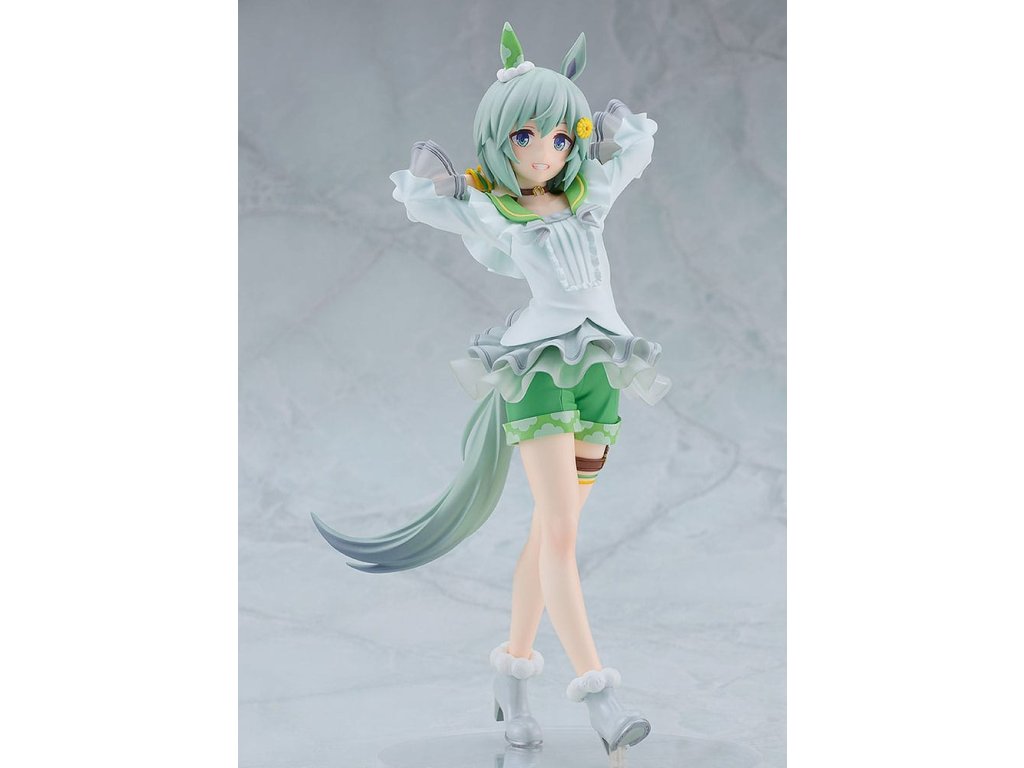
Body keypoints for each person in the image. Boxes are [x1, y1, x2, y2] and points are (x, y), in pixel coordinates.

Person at [312, 22, 670, 756]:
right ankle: (600, 696)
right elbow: (427, 201)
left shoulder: (589, 195)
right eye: (525, 137)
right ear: (501, 142)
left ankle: (512, 675)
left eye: (560, 137)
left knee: (550, 534)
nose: (544, 152)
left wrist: (608, 134)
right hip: (537, 372)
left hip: (602, 369)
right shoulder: (498, 212)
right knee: (561, 532)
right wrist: (454, 183)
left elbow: (634, 148)